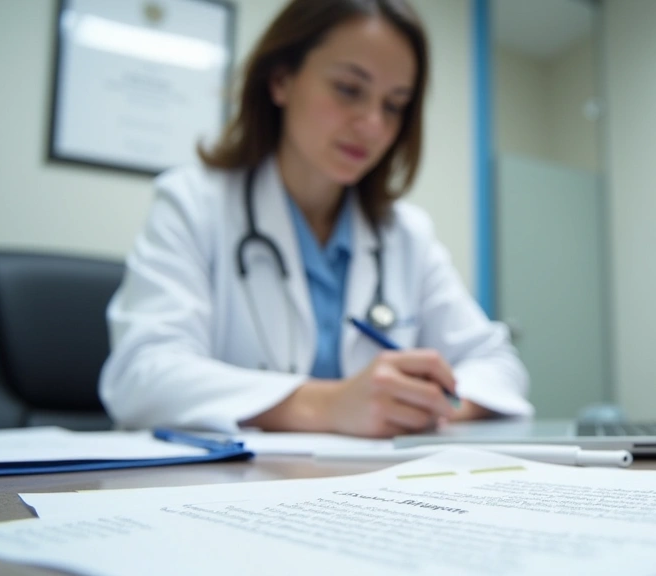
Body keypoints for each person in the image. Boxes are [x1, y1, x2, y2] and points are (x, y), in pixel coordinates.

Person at [99, 0, 532, 437]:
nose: (373, 125)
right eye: (349, 88)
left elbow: (498, 365)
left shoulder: (405, 236)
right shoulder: (194, 203)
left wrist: (427, 405)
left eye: (395, 105)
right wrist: (325, 406)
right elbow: (141, 374)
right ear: (282, 80)